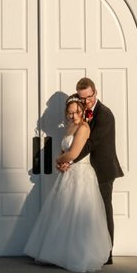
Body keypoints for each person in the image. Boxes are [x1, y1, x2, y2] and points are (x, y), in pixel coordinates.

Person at [23, 96, 110, 272]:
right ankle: (57, 253)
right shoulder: (70, 127)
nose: (73, 115)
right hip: (68, 173)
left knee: (77, 213)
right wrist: (62, 162)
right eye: (70, 113)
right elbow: (66, 151)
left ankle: (78, 255)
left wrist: (59, 160)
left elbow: (73, 153)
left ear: (82, 110)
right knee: (61, 213)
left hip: (81, 174)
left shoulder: (84, 128)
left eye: (77, 111)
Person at [58, 76, 122, 263]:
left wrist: (67, 159)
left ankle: (107, 253)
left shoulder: (105, 115)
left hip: (102, 170)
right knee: (86, 212)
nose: (86, 101)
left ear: (95, 92)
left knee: (103, 211)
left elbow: (91, 143)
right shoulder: (80, 110)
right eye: (82, 98)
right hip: (84, 171)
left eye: (89, 97)